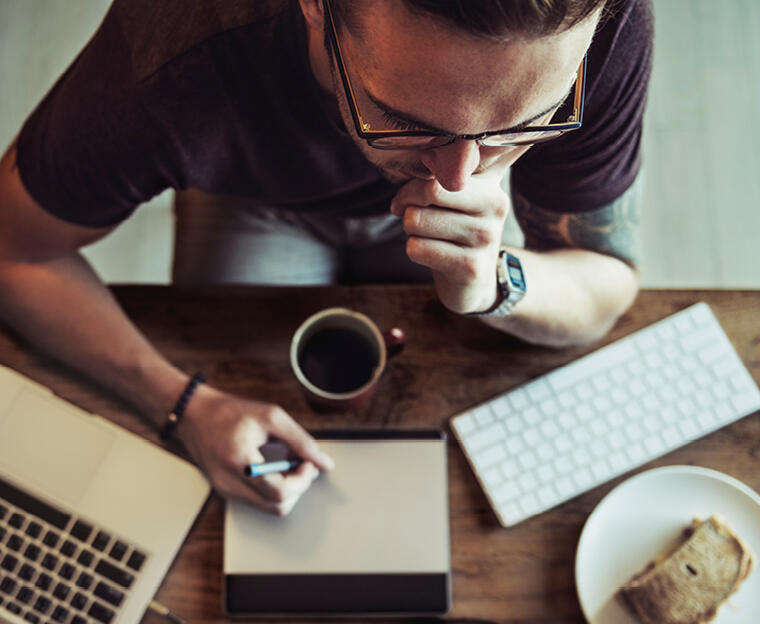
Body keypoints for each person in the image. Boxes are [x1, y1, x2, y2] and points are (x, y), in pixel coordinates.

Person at [0, 0, 652, 515]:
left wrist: (497, 281)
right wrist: (183, 405)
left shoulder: (602, 23)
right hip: (258, 201)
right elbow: (13, 252)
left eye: (522, 127)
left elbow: (604, 278)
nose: (458, 180)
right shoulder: (170, 55)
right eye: (402, 117)